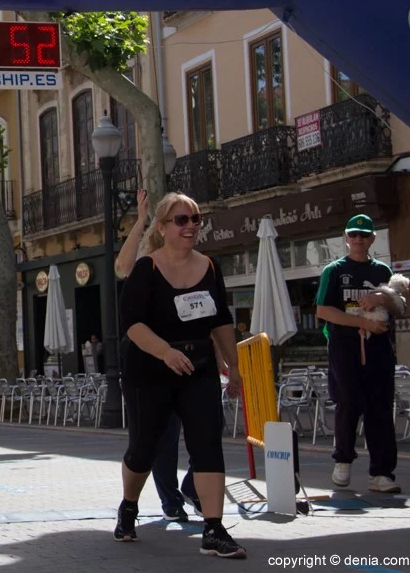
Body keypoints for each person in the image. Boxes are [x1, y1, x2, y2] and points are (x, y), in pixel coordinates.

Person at [115, 192, 245, 558]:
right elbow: (133, 325)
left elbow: (220, 322)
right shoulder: (147, 269)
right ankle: (128, 506)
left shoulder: (211, 267)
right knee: (144, 449)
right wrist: (166, 352)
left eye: (195, 218)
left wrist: (233, 366)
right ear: (162, 227)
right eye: (181, 220)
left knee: (207, 444)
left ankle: (214, 529)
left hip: (198, 368)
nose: (190, 226)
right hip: (149, 369)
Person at [315, 214, 405, 494]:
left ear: (372, 239)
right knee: (350, 402)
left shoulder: (382, 271)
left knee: (379, 408)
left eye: (363, 235)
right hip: (345, 346)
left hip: (379, 347)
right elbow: (323, 310)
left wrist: (382, 298)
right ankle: (343, 459)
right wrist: (363, 323)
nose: (358, 240)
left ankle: (381, 473)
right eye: (353, 234)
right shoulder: (334, 269)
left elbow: (400, 306)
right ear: (346, 237)